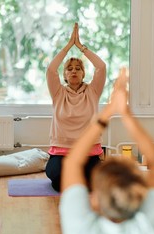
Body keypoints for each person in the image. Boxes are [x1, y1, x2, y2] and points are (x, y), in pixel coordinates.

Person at [59, 68, 154, 234]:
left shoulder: (80, 230)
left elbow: (72, 162)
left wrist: (110, 110)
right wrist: (126, 114)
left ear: (95, 200)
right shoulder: (148, 231)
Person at [45, 22, 106, 192]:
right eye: (69, 69)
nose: (74, 71)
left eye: (78, 69)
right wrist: (68, 46)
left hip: (88, 152)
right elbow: (51, 70)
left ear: (83, 74)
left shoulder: (93, 91)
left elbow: (101, 67)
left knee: (95, 184)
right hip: (61, 152)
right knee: (58, 181)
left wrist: (80, 47)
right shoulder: (58, 93)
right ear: (64, 75)